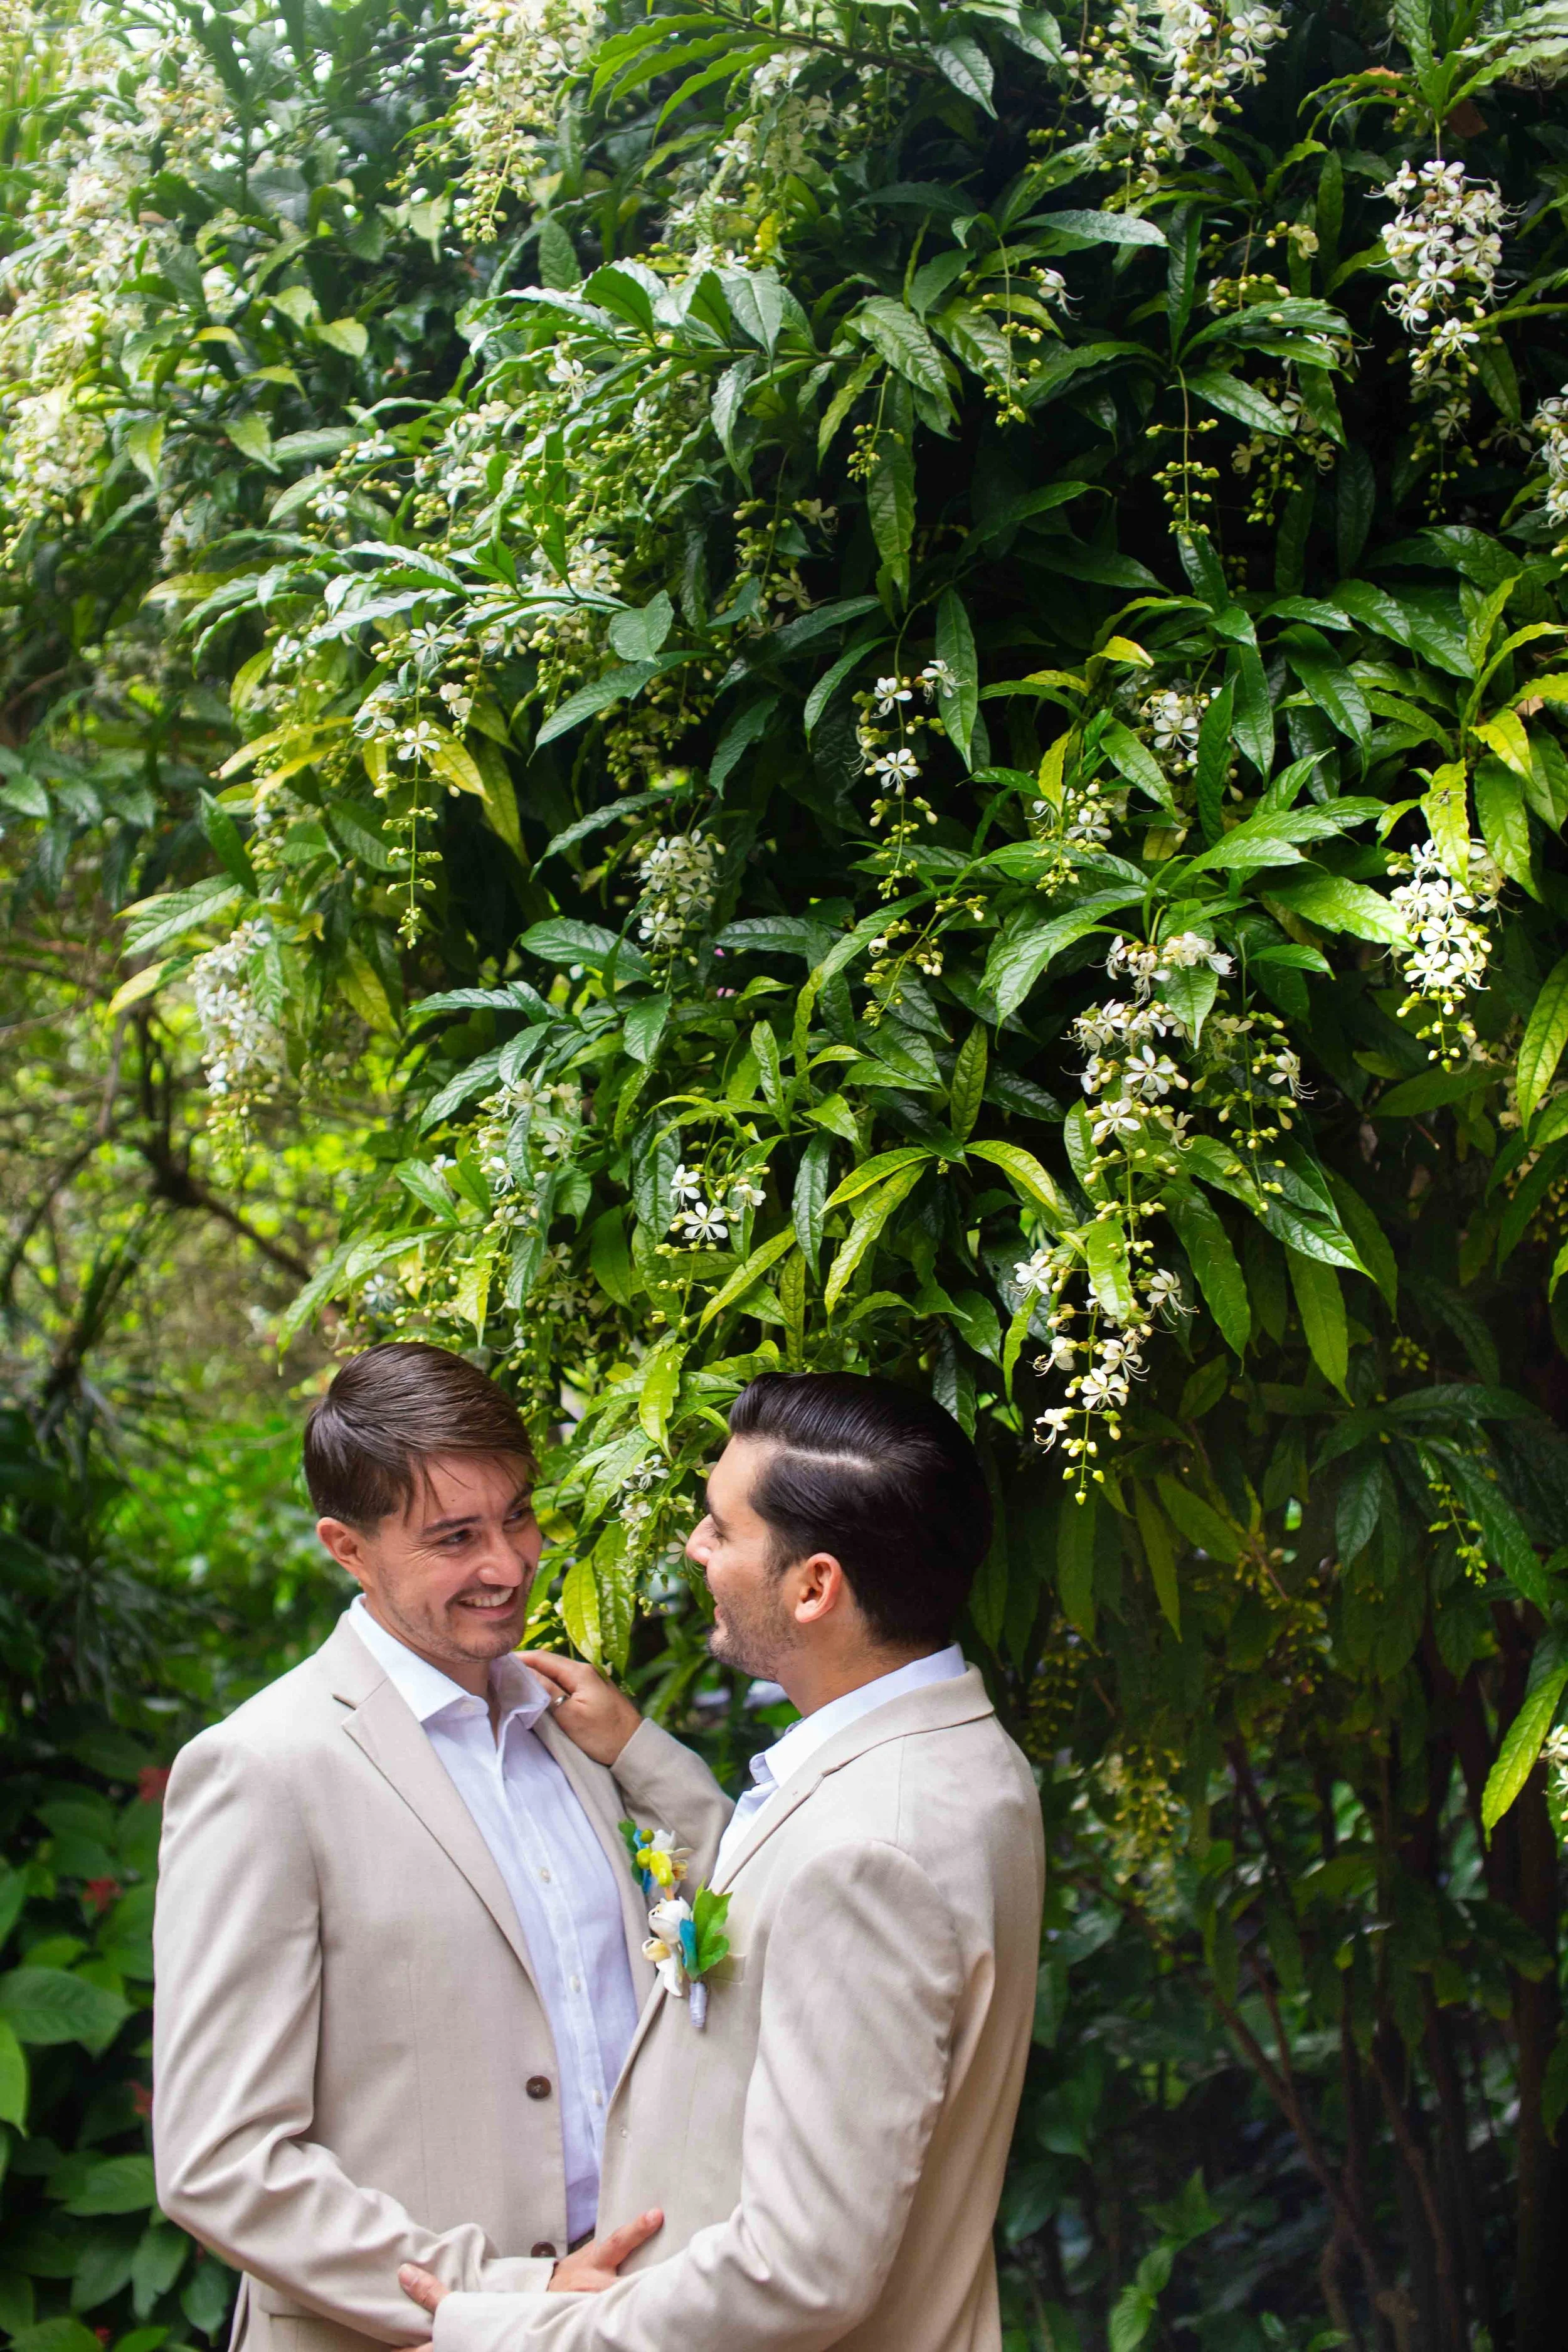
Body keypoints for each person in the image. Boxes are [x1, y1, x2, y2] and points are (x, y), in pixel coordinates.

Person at [401, 1369, 1046, 2352]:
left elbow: (802, 2270)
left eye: (722, 1528)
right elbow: (775, 1919)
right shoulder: (961, 1758)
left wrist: (514, 2330)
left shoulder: (870, 1853)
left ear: (815, 1584)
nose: (694, 1546)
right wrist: (640, 1751)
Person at [152, 1342, 730, 2352]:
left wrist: (643, 1751)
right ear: (348, 1546)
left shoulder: (573, 1726)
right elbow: (219, 2158)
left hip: (632, 2316)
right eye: (455, 1536)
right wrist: (506, 2291)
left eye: (517, 1515)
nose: (507, 1564)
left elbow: (724, 1936)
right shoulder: (262, 1769)